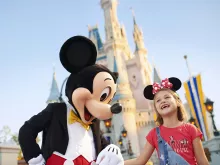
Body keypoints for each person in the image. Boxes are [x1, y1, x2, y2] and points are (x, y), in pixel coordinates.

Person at [124, 77, 209, 165]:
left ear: (177, 102)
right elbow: (139, 161)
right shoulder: (154, 134)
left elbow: (202, 161)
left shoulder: (191, 129)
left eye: (167, 97)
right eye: (158, 100)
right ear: (156, 108)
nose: (163, 101)